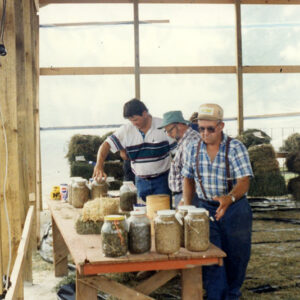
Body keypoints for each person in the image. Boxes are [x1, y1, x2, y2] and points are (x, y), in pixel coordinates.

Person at [182, 103, 253, 300]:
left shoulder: (236, 148)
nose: (204, 133)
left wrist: (229, 198)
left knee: (236, 255)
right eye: (200, 128)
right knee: (210, 255)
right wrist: (187, 205)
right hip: (204, 209)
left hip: (235, 209)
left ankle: (231, 294)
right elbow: (187, 178)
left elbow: (244, 181)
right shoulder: (191, 149)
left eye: (210, 129)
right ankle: (215, 296)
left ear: (221, 126)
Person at [93, 98, 176, 201]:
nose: (133, 123)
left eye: (136, 119)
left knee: (162, 212)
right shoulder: (126, 130)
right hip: (141, 181)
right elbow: (105, 145)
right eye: (130, 120)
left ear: (145, 113)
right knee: (141, 212)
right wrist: (99, 165)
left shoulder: (163, 126)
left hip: (162, 181)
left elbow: (178, 150)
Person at [158, 110, 201, 207]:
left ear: (180, 125)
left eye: (170, 130)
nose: (168, 134)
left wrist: (184, 201)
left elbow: (192, 176)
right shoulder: (185, 140)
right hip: (184, 195)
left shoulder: (190, 142)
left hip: (188, 196)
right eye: (166, 131)